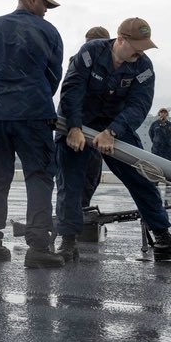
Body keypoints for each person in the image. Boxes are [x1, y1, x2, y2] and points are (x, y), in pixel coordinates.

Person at [55, 18, 171, 262]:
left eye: (144, 46)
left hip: (114, 125)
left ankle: (162, 239)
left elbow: (138, 105)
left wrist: (113, 131)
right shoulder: (91, 52)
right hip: (79, 120)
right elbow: (72, 89)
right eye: (137, 45)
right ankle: (68, 242)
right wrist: (74, 128)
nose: (141, 51)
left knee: (140, 178)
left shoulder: (143, 67)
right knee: (71, 181)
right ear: (120, 39)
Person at [0, 0, 65, 268]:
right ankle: (37, 247)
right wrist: (36, 94)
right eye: (44, 3)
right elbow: (52, 77)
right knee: (39, 176)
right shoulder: (49, 32)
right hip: (34, 114)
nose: (46, 10)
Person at [80, 26, 110, 207]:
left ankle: (78, 213)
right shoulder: (83, 62)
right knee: (86, 177)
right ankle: (75, 218)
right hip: (84, 129)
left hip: (89, 130)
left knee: (88, 177)